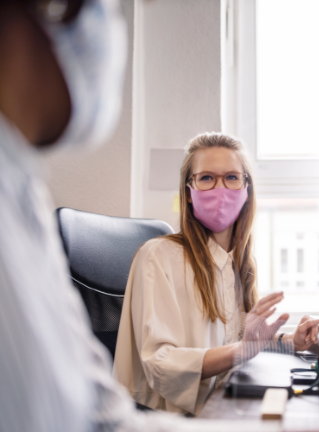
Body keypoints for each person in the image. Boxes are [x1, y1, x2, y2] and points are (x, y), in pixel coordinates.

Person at [0, 1, 250, 431]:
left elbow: (98, 412)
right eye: (99, 7)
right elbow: (159, 370)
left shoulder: (23, 195)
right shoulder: (159, 255)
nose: (109, 32)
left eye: (232, 179)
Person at [113, 133, 319, 414]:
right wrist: (242, 350)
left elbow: (240, 343)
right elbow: (160, 364)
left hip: (219, 408)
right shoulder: (158, 256)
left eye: (232, 178)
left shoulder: (237, 263)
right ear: (188, 192)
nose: (220, 189)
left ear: (246, 190)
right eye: (206, 178)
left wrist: (291, 342)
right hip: (167, 420)